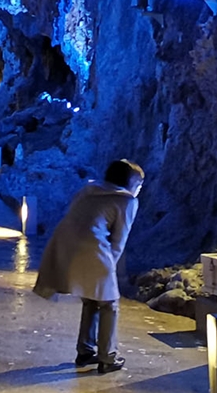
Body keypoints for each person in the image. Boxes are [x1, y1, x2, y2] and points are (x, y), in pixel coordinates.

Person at [33, 160, 145, 373]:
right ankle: (107, 357)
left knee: (92, 299)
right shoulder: (127, 201)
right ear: (130, 182)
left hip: (64, 242)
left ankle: (85, 351)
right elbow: (119, 240)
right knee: (109, 302)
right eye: (139, 183)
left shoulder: (89, 190)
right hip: (94, 248)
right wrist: (110, 268)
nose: (139, 189)